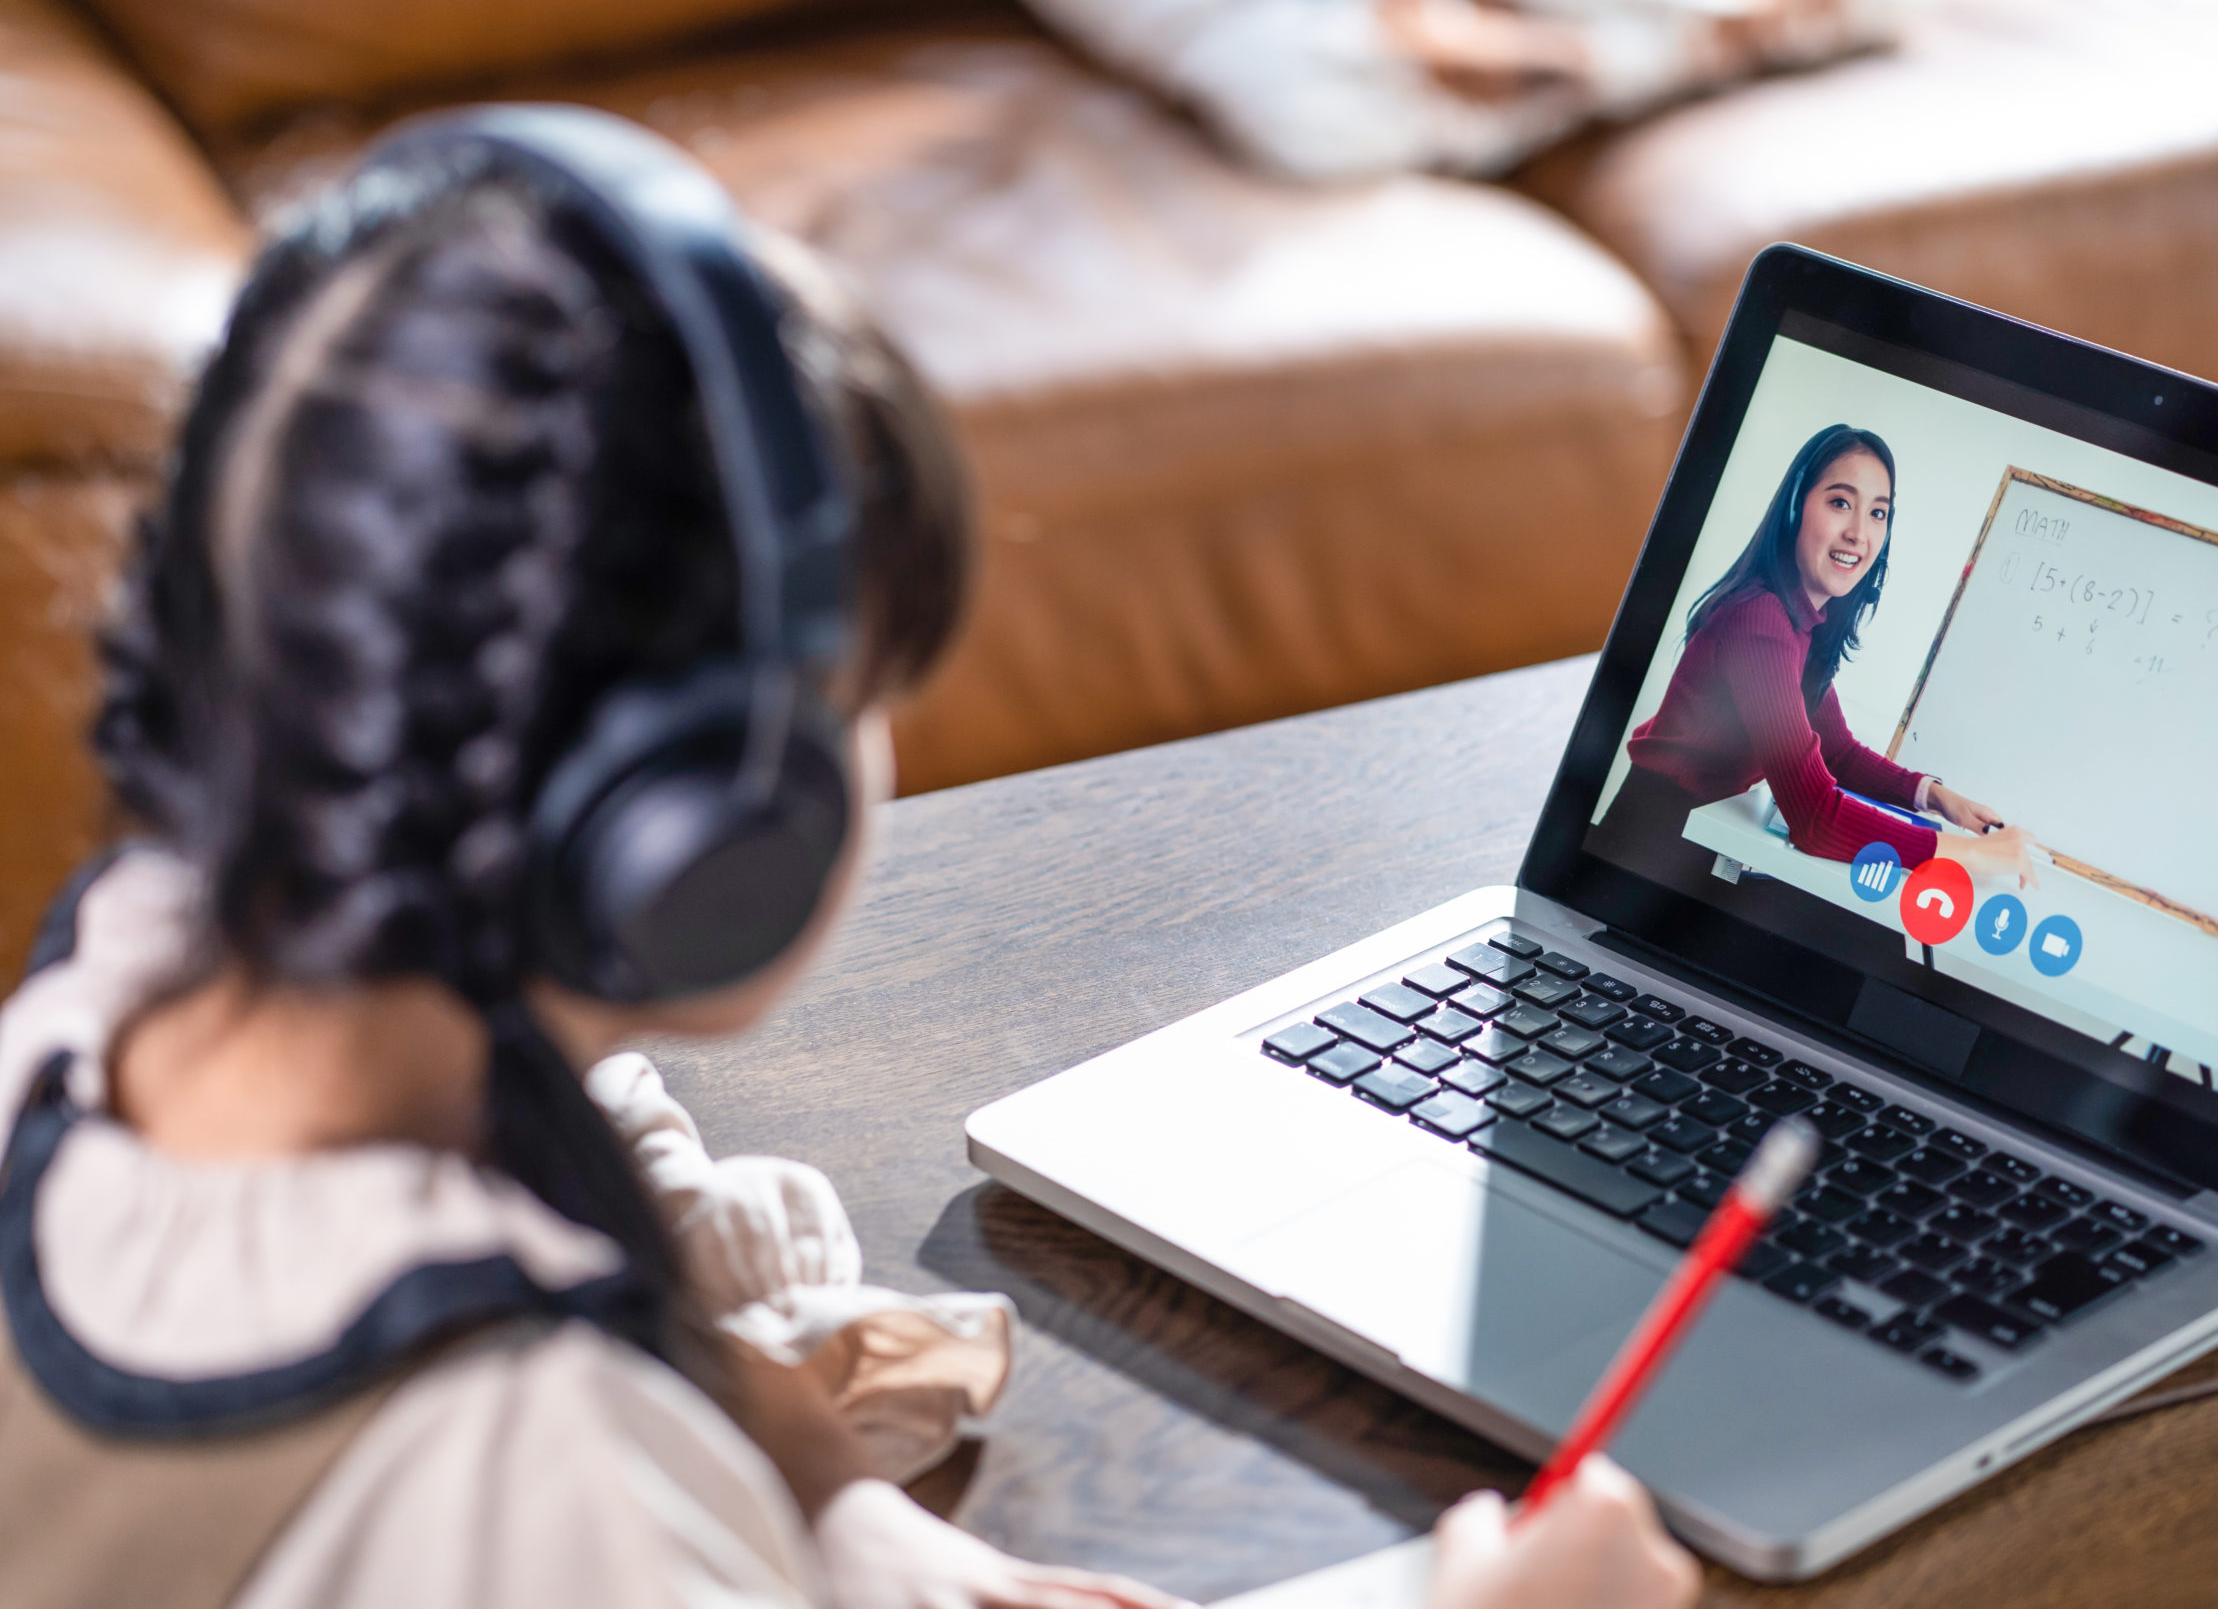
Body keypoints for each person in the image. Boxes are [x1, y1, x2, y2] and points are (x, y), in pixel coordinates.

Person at [0, 114, 1702, 1609]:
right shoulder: (547, 1467)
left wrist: (818, 1505)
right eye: (859, 699)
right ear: (703, 825)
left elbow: (572, 1155)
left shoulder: (112, 988)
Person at [1600, 423, 2036, 889]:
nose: (1859, 533)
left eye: (1878, 513)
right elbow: (1814, 818)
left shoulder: (1799, 620)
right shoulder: (1759, 619)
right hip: (1647, 848)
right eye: (1840, 503)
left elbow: (1837, 753)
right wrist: (1970, 855)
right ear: (1795, 508)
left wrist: (1937, 797)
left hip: (1697, 837)